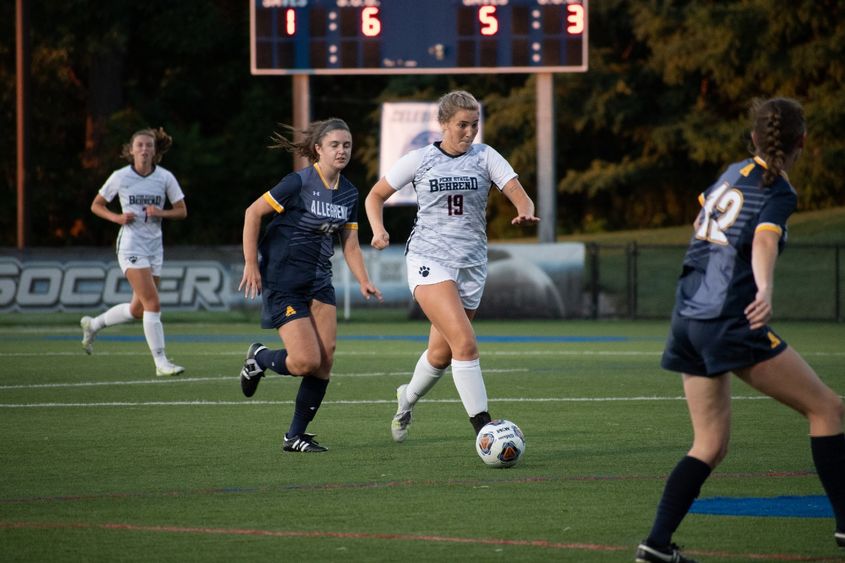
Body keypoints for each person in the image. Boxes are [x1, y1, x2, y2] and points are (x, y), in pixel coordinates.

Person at [635, 97, 845, 563]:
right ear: (802, 142)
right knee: (829, 409)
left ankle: (656, 545)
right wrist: (765, 288)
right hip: (727, 319)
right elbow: (764, 239)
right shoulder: (779, 191)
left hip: (687, 316)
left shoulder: (732, 174)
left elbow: (701, 221)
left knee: (709, 444)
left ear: (753, 138)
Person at [365, 90, 540, 442]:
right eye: (462, 125)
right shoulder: (420, 159)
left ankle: (406, 398)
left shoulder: (485, 156)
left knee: (441, 354)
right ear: (443, 123)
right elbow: (375, 195)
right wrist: (379, 229)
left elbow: (516, 189)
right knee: (466, 343)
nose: (469, 132)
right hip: (429, 260)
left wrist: (523, 208)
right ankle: (485, 430)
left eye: (474, 125)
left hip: (472, 264)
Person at [238, 118, 382, 453]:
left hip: (319, 282)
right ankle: (259, 359)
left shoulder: (349, 192)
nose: (342, 150)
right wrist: (250, 263)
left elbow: (349, 243)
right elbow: (252, 213)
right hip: (284, 280)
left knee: (325, 359)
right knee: (304, 361)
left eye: (346, 144)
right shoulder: (298, 182)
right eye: (335, 144)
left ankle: (295, 436)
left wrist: (364, 280)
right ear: (318, 148)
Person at [80, 127, 187, 377]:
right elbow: (96, 205)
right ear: (131, 150)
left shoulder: (165, 178)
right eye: (139, 145)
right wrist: (117, 218)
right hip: (130, 245)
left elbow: (181, 211)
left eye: (149, 145)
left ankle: (93, 325)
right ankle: (161, 362)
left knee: (139, 309)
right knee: (153, 302)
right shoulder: (120, 177)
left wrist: (161, 212)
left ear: (155, 151)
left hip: (154, 247)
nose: (144, 149)